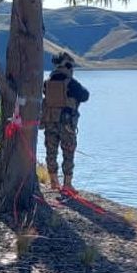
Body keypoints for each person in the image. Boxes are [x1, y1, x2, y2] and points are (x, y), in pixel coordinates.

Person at [41, 52, 90, 192]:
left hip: (50, 122)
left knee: (51, 152)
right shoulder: (71, 84)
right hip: (66, 124)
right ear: (67, 66)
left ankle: (54, 182)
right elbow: (85, 96)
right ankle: (67, 184)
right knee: (68, 152)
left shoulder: (47, 83)